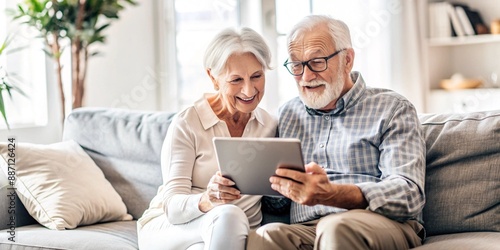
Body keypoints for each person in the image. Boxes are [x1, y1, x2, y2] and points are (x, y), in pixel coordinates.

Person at [247, 15, 426, 250]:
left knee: (336, 228)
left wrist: (332, 194)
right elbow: (277, 205)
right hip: (308, 227)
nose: (306, 77)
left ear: (347, 60)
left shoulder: (392, 108)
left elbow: (408, 193)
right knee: (264, 236)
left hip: (380, 222)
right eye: (297, 65)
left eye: (317, 62)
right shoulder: (288, 113)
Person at [137, 27, 277, 250]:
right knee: (229, 215)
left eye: (256, 76)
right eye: (236, 80)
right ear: (213, 77)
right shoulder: (187, 124)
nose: (249, 90)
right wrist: (208, 198)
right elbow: (172, 208)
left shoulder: (270, 126)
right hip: (173, 227)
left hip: (230, 235)